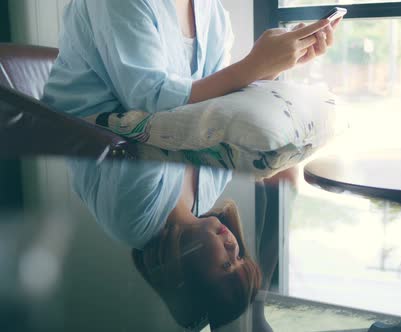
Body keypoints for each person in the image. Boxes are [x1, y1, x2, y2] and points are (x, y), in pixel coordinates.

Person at [41, 0, 340, 329]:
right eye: (239, 256)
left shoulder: (135, 215)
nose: (232, 244)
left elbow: (186, 110)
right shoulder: (204, 197)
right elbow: (155, 105)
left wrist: (280, 56)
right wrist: (259, 64)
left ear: (184, 276)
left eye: (226, 264)